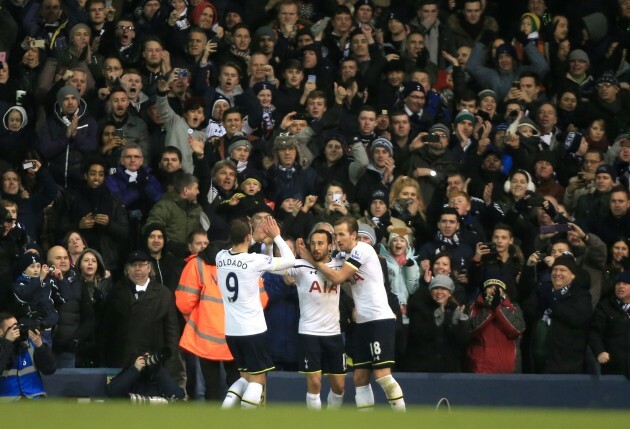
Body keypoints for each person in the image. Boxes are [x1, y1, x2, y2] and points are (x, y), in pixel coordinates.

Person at [297, 216, 405, 411]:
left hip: (379, 319)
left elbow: (337, 277)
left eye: (341, 234)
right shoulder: (342, 256)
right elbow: (327, 266)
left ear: (354, 235)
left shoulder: (362, 250)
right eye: (335, 235)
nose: (337, 239)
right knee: (359, 378)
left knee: (382, 375)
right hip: (362, 322)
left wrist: (310, 259)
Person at [217, 217, 296, 409]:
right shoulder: (254, 260)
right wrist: (276, 236)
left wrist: (254, 239)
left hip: (232, 332)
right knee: (257, 381)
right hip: (253, 331)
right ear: (247, 235)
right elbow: (290, 261)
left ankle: (226, 408)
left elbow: (238, 246)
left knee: (244, 378)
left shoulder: (220, 256)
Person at [285, 229, 345, 409]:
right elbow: (285, 273)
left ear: (330, 245)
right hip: (309, 333)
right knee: (315, 382)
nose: (316, 247)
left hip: (334, 333)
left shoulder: (340, 265)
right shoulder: (301, 266)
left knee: (339, 386)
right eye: (313, 244)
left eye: (320, 243)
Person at [0, 312, 57, 401]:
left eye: (18, 326)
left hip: (35, 398)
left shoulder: (30, 344)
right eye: (13, 328)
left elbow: (50, 369)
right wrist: (7, 343)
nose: (17, 331)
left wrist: (40, 346)